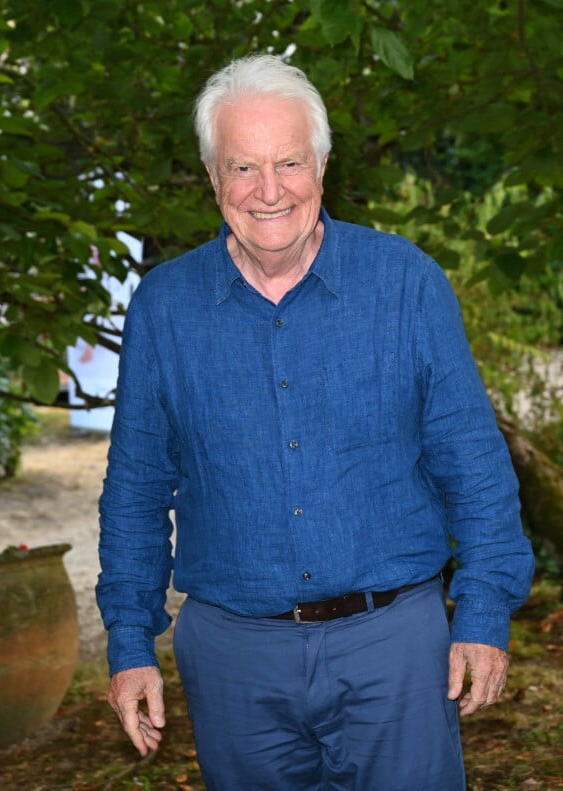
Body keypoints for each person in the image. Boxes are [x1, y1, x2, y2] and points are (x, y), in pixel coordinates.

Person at [96, 53, 535, 790]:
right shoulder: (164, 309)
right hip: (236, 662)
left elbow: (473, 462)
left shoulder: (406, 284)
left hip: (394, 646)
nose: (268, 191)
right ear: (212, 176)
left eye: (289, 162)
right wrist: (129, 639)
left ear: (323, 164)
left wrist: (484, 611)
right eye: (242, 168)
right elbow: (137, 486)